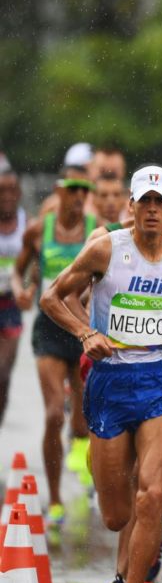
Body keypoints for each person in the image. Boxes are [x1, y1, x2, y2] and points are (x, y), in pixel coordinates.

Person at [41, 165, 162, 583]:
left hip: (160, 380)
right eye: (146, 202)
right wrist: (86, 333)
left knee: (152, 493)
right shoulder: (105, 249)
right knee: (117, 514)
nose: (153, 210)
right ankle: (126, 564)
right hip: (109, 382)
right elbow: (53, 297)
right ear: (131, 208)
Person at [12, 173, 97, 521]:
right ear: (59, 192)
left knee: (81, 420)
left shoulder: (97, 231)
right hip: (49, 326)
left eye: (84, 191)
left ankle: (81, 443)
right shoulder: (38, 231)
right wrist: (23, 289)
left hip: (81, 326)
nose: (79, 197)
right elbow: (21, 272)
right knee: (51, 415)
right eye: (73, 190)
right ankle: (57, 498)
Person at [0, 168, 26, 425]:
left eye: (11, 190)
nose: (6, 196)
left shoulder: (26, 224)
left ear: (18, 193)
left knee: (3, 372)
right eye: (1, 191)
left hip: (11, 306)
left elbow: (37, 262)